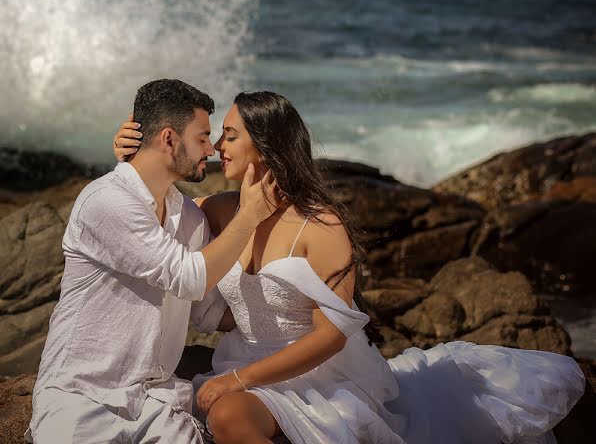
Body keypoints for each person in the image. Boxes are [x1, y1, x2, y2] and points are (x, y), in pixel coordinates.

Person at [112, 90, 586, 444]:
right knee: (221, 414)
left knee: (228, 416)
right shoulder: (219, 209)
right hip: (241, 356)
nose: (217, 146)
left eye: (230, 135)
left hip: (321, 373)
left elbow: (330, 336)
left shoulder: (322, 225)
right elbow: (150, 216)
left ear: (266, 146)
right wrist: (133, 156)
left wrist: (237, 381)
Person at [26, 79, 283, 444]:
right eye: (202, 137)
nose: (212, 149)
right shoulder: (105, 201)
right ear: (168, 139)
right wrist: (249, 216)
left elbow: (206, 312)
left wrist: (292, 325)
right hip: (82, 396)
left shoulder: (191, 218)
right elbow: (188, 277)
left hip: (156, 401)